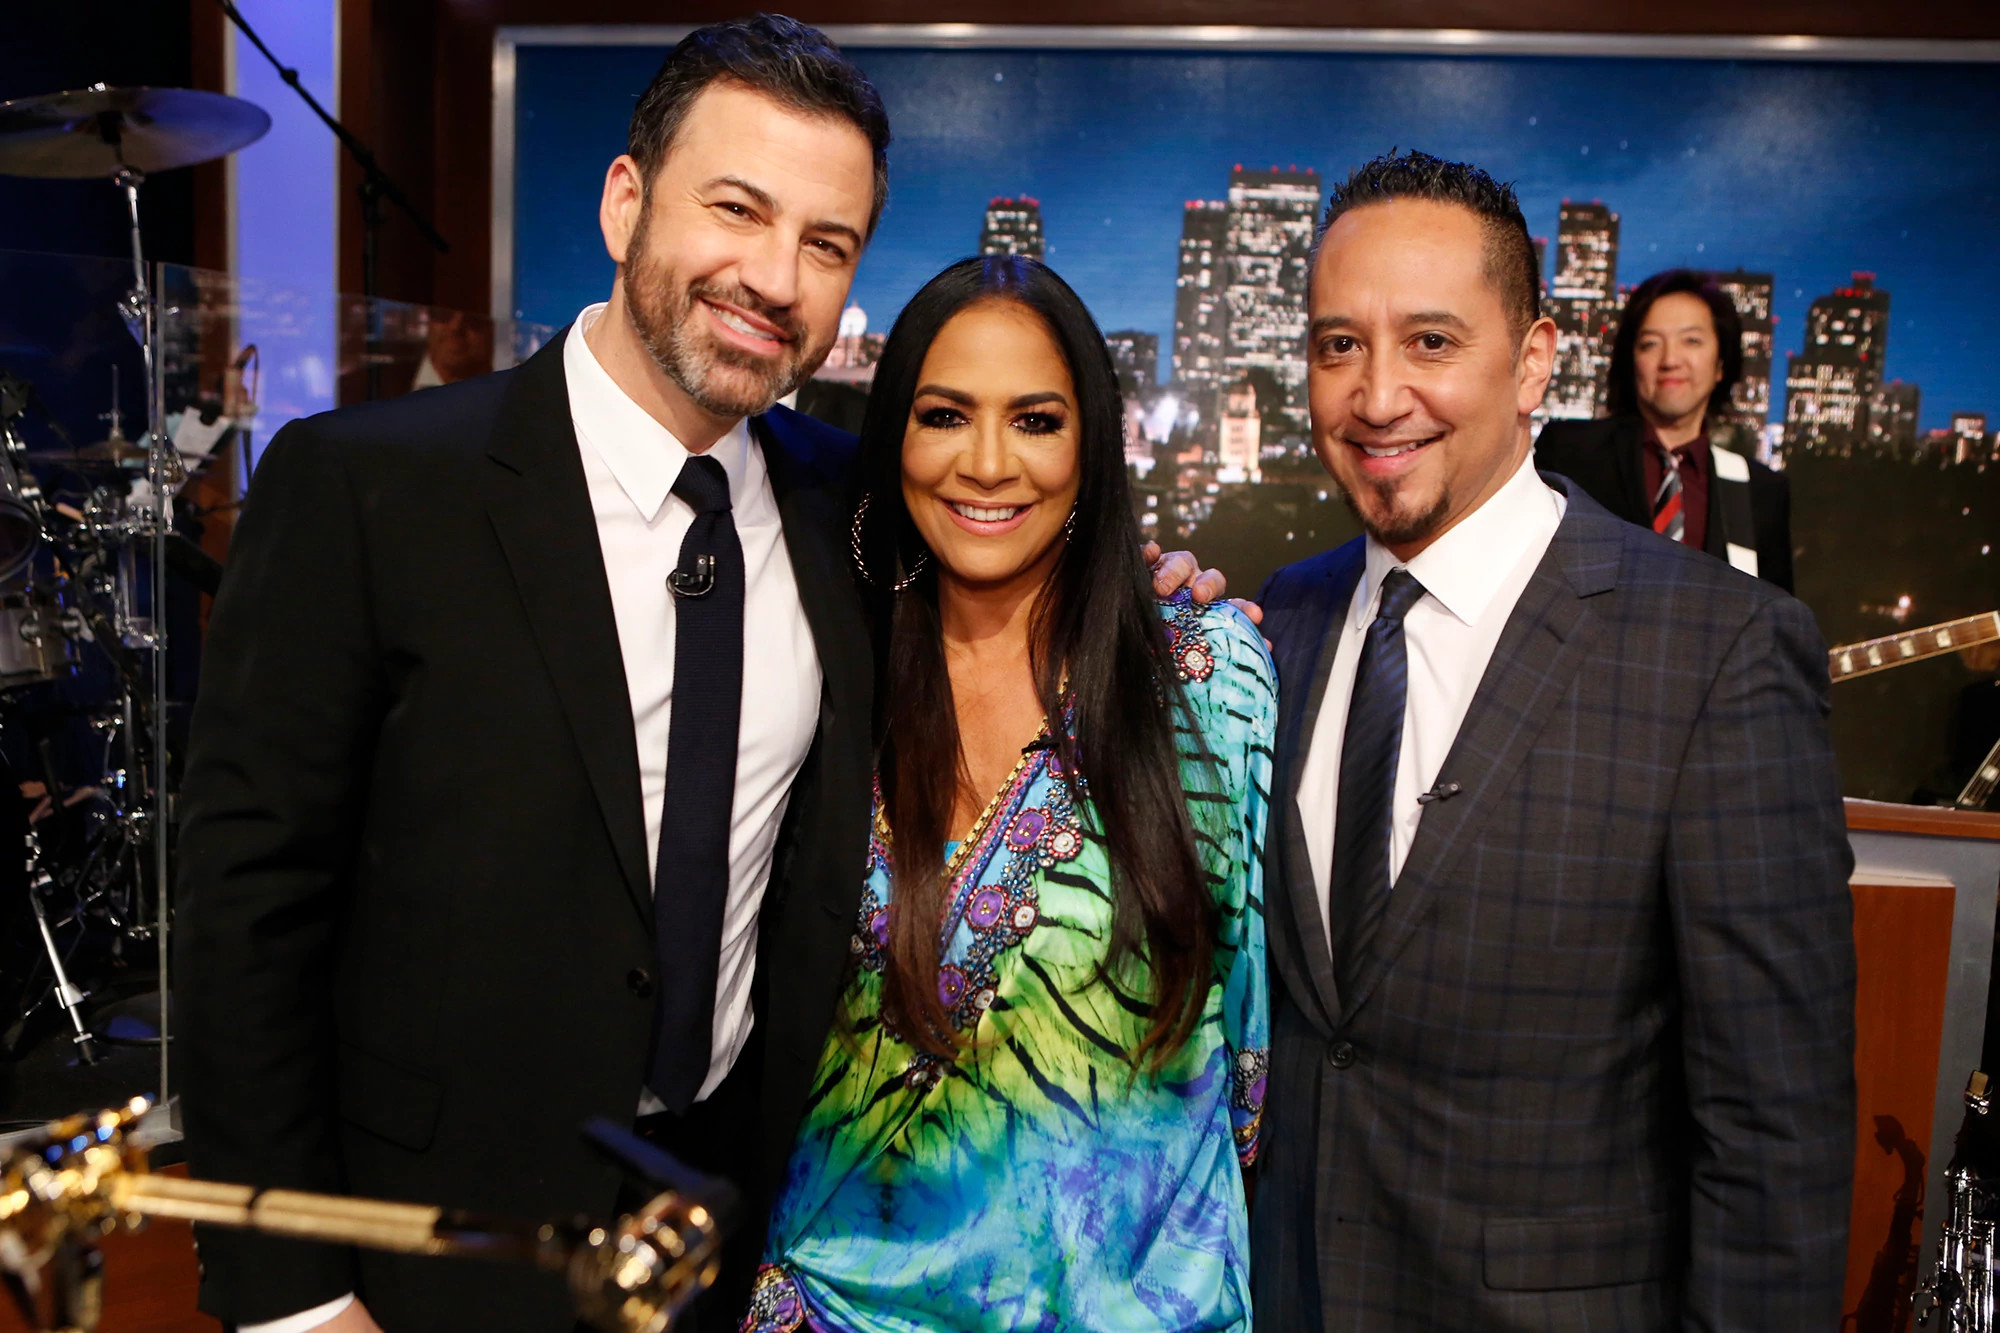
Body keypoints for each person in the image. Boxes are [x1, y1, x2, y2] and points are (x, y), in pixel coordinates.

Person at [174, 19, 1225, 1333]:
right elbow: (245, 912)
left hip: (733, 1245)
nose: (774, 276)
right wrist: (296, 1295)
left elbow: (1018, 546)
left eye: (826, 244)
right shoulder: (366, 489)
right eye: (737, 209)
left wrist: (1156, 587)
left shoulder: (850, 505)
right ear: (627, 202)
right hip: (426, 1248)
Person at [1249, 150, 1855, 1332]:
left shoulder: (1716, 651)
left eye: (1429, 342)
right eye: (1337, 346)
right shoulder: (1283, 621)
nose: (1376, 397)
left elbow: (1772, 1138)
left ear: (1532, 362)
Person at [741, 257, 1275, 1333]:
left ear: (1093, 446)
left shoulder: (1205, 678)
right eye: (944, 414)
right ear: (891, 434)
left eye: (1034, 419)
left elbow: (1248, 1055)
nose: (986, 464)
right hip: (830, 1304)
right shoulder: (813, 655)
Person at [1535, 269, 1794, 590]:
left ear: (1721, 364)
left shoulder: (1760, 491)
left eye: (1692, 341)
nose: (1670, 359)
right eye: (1650, 344)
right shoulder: (1571, 452)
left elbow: (1776, 625)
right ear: (1632, 361)